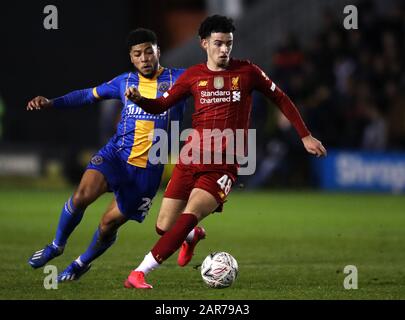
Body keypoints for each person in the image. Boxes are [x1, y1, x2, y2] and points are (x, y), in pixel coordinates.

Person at [123, 15, 327, 289]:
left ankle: (139, 273)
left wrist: (305, 135)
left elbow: (280, 96)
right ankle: (192, 236)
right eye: (218, 43)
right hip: (190, 158)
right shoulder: (193, 76)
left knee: (188, 216)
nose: (224, 50)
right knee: (164, 226)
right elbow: (162, 105)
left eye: (228, 44)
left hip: (223, 165)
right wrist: (141, 100)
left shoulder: (248, 72)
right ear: (204, 43)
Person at [26, 28, 202, 282]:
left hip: (147, 171)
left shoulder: (180, 78)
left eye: (148, 52)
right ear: (131, 58)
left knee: (108, 224)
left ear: (158, 52)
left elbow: (208, 82)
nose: (144, 58)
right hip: (116, 155)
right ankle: (56, 245)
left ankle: (81, 263)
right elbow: (88, 95)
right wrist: (51, 102)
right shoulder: (124, 82)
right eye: (137, 54)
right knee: (81, 195)